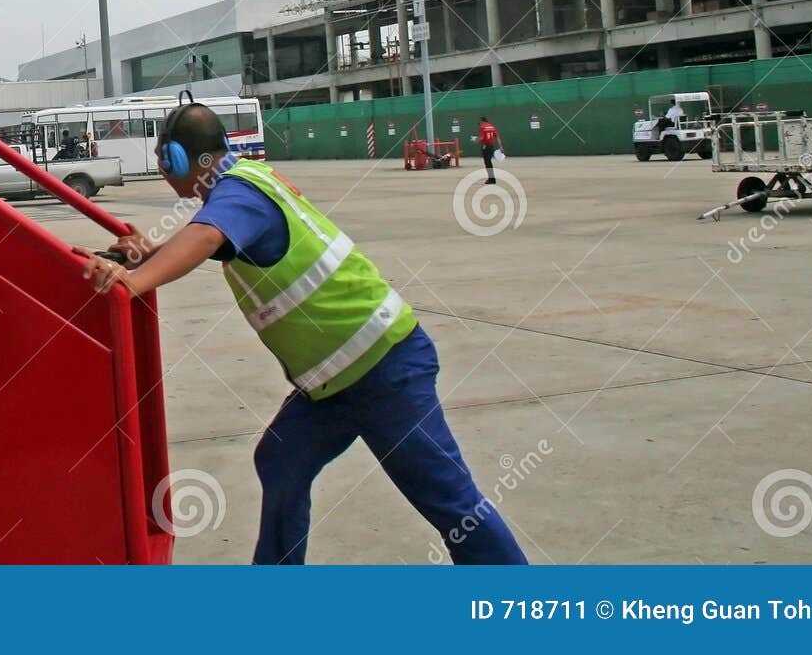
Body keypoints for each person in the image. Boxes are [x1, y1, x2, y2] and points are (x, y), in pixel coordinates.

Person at [75, 101, 528, 566]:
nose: (163, 172)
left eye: (163, 161)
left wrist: (134, 282)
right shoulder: (244, 185)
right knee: (280, 460)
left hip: (383, 369)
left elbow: (208, 237)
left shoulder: (236, 196)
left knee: (449, 501)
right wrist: (146, 255)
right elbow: (211, 236)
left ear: (179, 160)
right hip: (336, 383)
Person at [478, 117, 500, 185]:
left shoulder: (482, 127)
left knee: (487, 163)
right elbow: (497, 137)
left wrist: (476, 140)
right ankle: (491, 178)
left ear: (482, 121)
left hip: (486, 146)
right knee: (489, 162)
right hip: (491, 146)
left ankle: (491, 179)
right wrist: (501, 146)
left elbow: (481, 138)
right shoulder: (492, 127)